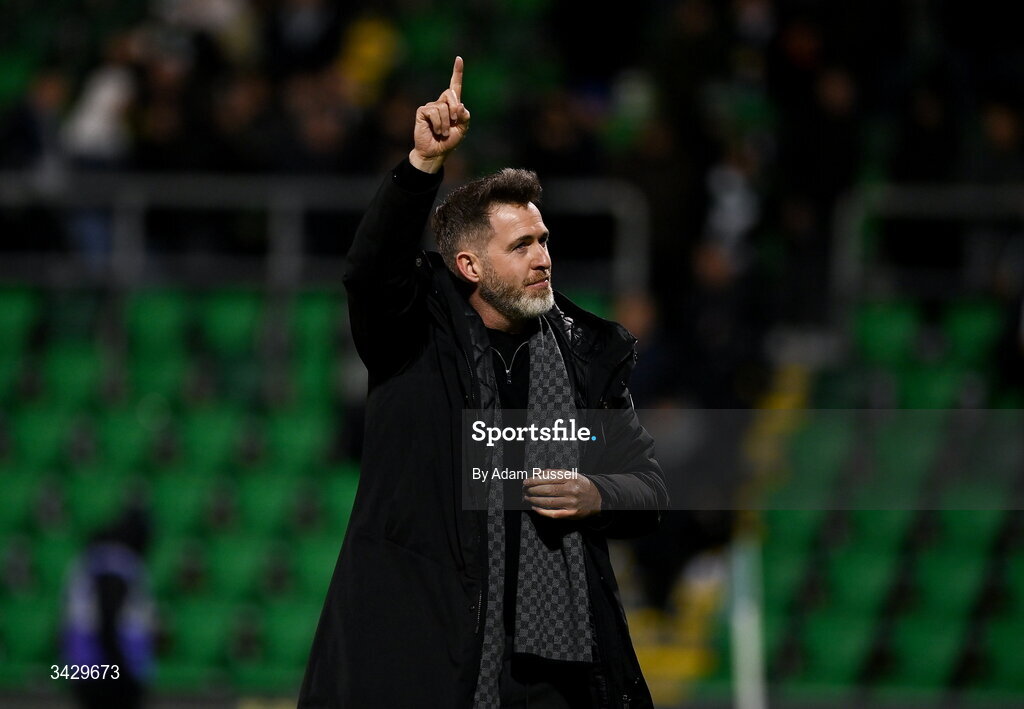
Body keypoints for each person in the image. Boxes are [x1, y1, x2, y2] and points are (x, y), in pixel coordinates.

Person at [299, 57, 668, 709]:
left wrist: (595, 491)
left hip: (549, 670)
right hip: (425, 657)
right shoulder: (412, 336)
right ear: (469, 263)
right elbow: (370, 271)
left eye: (544, 239)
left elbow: (648, 487)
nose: (544, 257)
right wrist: (420, 169)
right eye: (522, 244)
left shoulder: (584, 352)